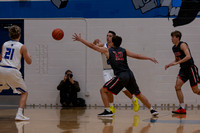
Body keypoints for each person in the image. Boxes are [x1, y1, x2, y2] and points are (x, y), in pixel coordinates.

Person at [72, 33, 159, 117]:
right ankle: (152, 109)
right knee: (138, 94)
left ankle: (107, 110)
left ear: (112, 42)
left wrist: (80, 39)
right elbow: (136, 55)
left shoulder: (108, 51)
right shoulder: (124, 50)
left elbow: (92, 46)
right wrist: (149, 58)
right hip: (130, 74)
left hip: (121, 75)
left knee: (103, 90)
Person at [93, 31, 139, 113]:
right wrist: (94, 42)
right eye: (107, 35)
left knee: (123, 89)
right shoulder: (103, 45)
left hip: (116, 70)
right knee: (108, 89)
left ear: (113, 38)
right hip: (106, 71)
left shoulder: (117, 48)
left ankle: (133, 99)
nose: (108, 37)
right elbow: (93, 47)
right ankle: (111, 107)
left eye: (110, 36)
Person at [0, 25, 32, 120]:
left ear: (10, 35)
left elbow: (1, 57)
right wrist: (29, 55)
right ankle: (19, 114)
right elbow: (29, 62)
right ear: (20, 35)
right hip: (12, 70)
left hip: (1, 68)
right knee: (24, 93)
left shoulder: (5, 44)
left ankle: (4, 84)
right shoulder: (22, 46)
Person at [165, 30, 200, 114]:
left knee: (195, 91)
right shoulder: (174, 48)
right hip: (183, 70)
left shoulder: (183, 44)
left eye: (172, 37)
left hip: (190, 68)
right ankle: (182, 108)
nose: (171, 39)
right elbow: (177, 59)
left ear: (177, 37)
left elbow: (188, 56)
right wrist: (169, 64)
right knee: (177, 87)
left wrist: (177, 62)